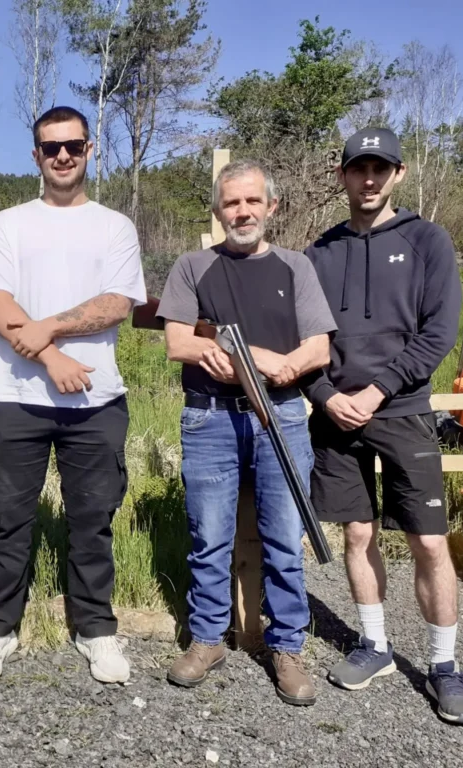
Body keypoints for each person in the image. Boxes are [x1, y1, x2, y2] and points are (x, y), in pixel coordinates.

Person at [0, 106, 146, 686]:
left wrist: (48, 328)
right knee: (8, 519)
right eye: (50, 147)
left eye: (72, 145)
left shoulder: (115, 226)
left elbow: (118, 303)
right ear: (36, 155)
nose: (61, 155)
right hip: (15, 396)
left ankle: (95, 630)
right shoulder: (8, 224)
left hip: (96, 402)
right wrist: (49, 353)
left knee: (93, 519)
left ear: (90, 149)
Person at [304, 127, 463, 725]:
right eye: (359, 169)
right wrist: (326, 395)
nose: (369, 179)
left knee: (429, 541)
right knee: (358, 536)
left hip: (403, 413)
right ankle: (374, 645)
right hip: (337, 418)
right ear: (343, 177)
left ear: (398, 174)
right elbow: (303, 341)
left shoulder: (428, 239)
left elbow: (439, 331)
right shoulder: (320, 253)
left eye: (381, 168)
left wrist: (379, 389)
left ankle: (444, 664)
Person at [156, 160, 336, 706]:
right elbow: (180, 343)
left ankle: (287, 648)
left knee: (285, 538)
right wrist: (249, 358)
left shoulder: (295, 267)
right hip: (209, 416)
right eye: (232, 203)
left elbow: (319, 348)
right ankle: (207, 638)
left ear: (271, 207)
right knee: (208, 537)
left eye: (252, 202)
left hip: (281, 413)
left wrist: (285, 367)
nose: (242, 212)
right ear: (217, 211)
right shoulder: (192, 266)